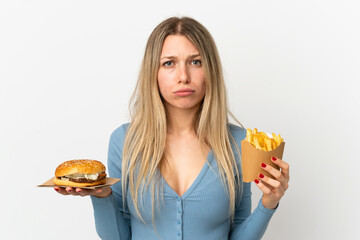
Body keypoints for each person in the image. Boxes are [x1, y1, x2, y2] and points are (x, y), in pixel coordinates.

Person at [54, 16, 290, 240]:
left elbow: (239, 234)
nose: (183, 76)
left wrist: (269, 203)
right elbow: (118, 237)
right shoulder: (125, 140)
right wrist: (101, 196)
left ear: (211, 70)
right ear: (153, 73)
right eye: (169, 63)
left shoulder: (238, 142)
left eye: (195, 62)